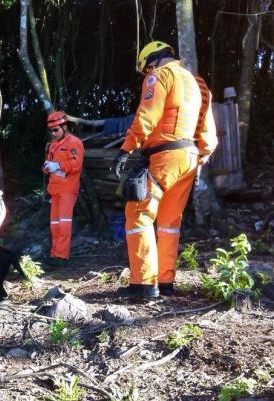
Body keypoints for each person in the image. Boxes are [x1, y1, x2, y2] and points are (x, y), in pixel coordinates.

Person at [112, 41, 218, 298]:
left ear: (152, 61)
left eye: (147, 68)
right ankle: (166, 281)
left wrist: (126, 149)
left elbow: (147, 114)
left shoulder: (159, 76)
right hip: (189, 157)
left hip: (165, 155)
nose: (147, 73)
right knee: (169, 222)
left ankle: (144, 284)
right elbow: (208, 129)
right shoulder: (198, 83)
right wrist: (202, 153)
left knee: (138, 213)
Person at [42, 111, 85, 266]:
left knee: (64, 223)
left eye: (56, 130)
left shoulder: (74, 143)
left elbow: (75, 166)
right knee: (54, 224)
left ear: (64, 126)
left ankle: (61, 256)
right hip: (54, 189)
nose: (53, 133)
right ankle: (54, 254)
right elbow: (48, 164)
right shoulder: (53, 145)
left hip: (68, 189)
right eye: (51, 131)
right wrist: (47, 167)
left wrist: (58, 166)